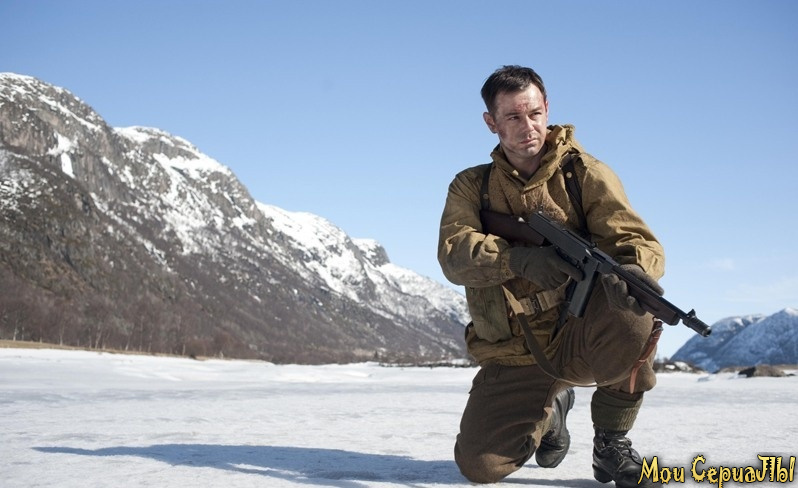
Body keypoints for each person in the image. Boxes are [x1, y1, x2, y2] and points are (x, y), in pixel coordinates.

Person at [437, 65, 665, 488]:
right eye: (513, 117)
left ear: (547, 108)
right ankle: (552, 415)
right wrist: (518, 260)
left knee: (635, 311)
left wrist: (635, 269)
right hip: (513, 350)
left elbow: (637, 242)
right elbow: (454, 255)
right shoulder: (471, 186)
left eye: (535, 113)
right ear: (490, 122)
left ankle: (610, 444)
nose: (528, 127)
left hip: (577, 335)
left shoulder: (585, 174)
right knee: (480, 467)